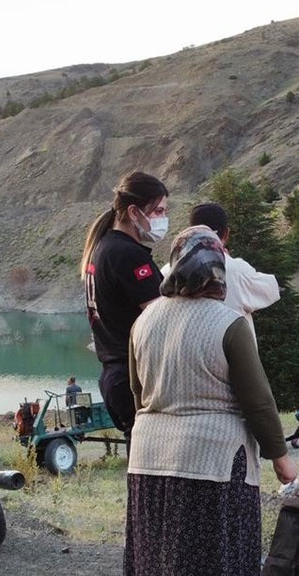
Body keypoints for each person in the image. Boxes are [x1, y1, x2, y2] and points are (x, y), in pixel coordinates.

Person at [122, 226, 298, 576]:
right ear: (216, 269)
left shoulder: (145, 320)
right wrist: (281, 456)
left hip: (149, 457)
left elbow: (138, 393)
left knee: (166, 563)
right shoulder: (227, 323)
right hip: (213, 461)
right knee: (223, 568)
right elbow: (258, 402)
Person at [81, 170, 169, 452]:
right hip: (136, 378)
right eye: (157, 210)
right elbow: (162, 318)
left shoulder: (103, 247)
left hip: (116, 375)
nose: (162, 218)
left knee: (144, 477)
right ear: (133, 211)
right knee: (154, 473)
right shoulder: (128, 254)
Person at [189, 202, 280, 332]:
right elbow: (271, 290)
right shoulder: (235, 269)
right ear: (226, 233)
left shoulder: (168, 271)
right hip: (232, 349)